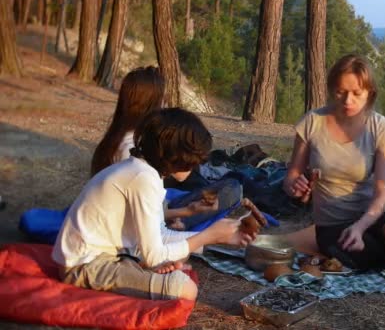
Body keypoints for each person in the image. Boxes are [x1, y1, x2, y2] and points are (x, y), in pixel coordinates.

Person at [52, 108, 256, 301]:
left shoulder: (146, 173)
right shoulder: (142, 178)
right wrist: (207, 236)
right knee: (185, 289)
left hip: (110, 255)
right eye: (195, 160)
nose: (197, 166)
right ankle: (141, 274)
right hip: (85, 266)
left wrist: (218, 238)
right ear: (178, 156)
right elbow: (153, 255)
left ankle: (141, 273)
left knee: (180, 256)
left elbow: (162, 236)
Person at [283, 54, 385, 270]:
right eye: (341, 92)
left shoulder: (382, 129)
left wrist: (361, 226)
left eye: (357, 93)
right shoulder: (312, 122)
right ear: (331, 89)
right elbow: (291, 176)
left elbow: (382, 192)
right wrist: (295, 186)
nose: (348, 101)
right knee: (373, 259)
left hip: (374, 214)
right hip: (333, 223)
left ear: (370, 93)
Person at [89, 66, 229, 228]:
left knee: (221, 187)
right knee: (228, 190)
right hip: (140, 219)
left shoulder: (122, 135)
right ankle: (184, 226)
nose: (165, 104)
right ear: (151, 103)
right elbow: (140, 221)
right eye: (163, 99)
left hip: (150, 207)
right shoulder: (131, 149)